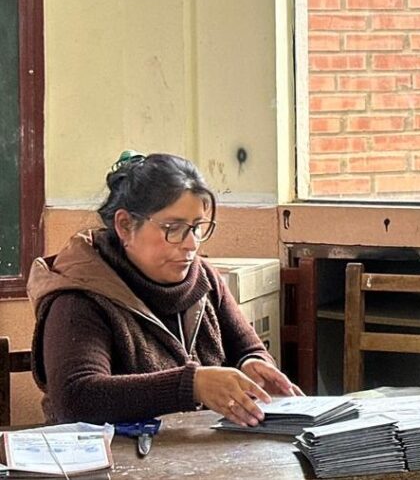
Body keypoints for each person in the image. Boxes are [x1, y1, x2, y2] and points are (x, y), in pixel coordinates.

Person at [28, 152, 302, 426]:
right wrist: (191, 385)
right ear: (124, 225)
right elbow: (76, 399)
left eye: (196, 228)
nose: (191, 244)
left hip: (200, 456)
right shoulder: (79, 294)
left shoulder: (204, 279)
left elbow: (247, 348)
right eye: (173, 228)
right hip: (112, 462)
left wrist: (253, 364)